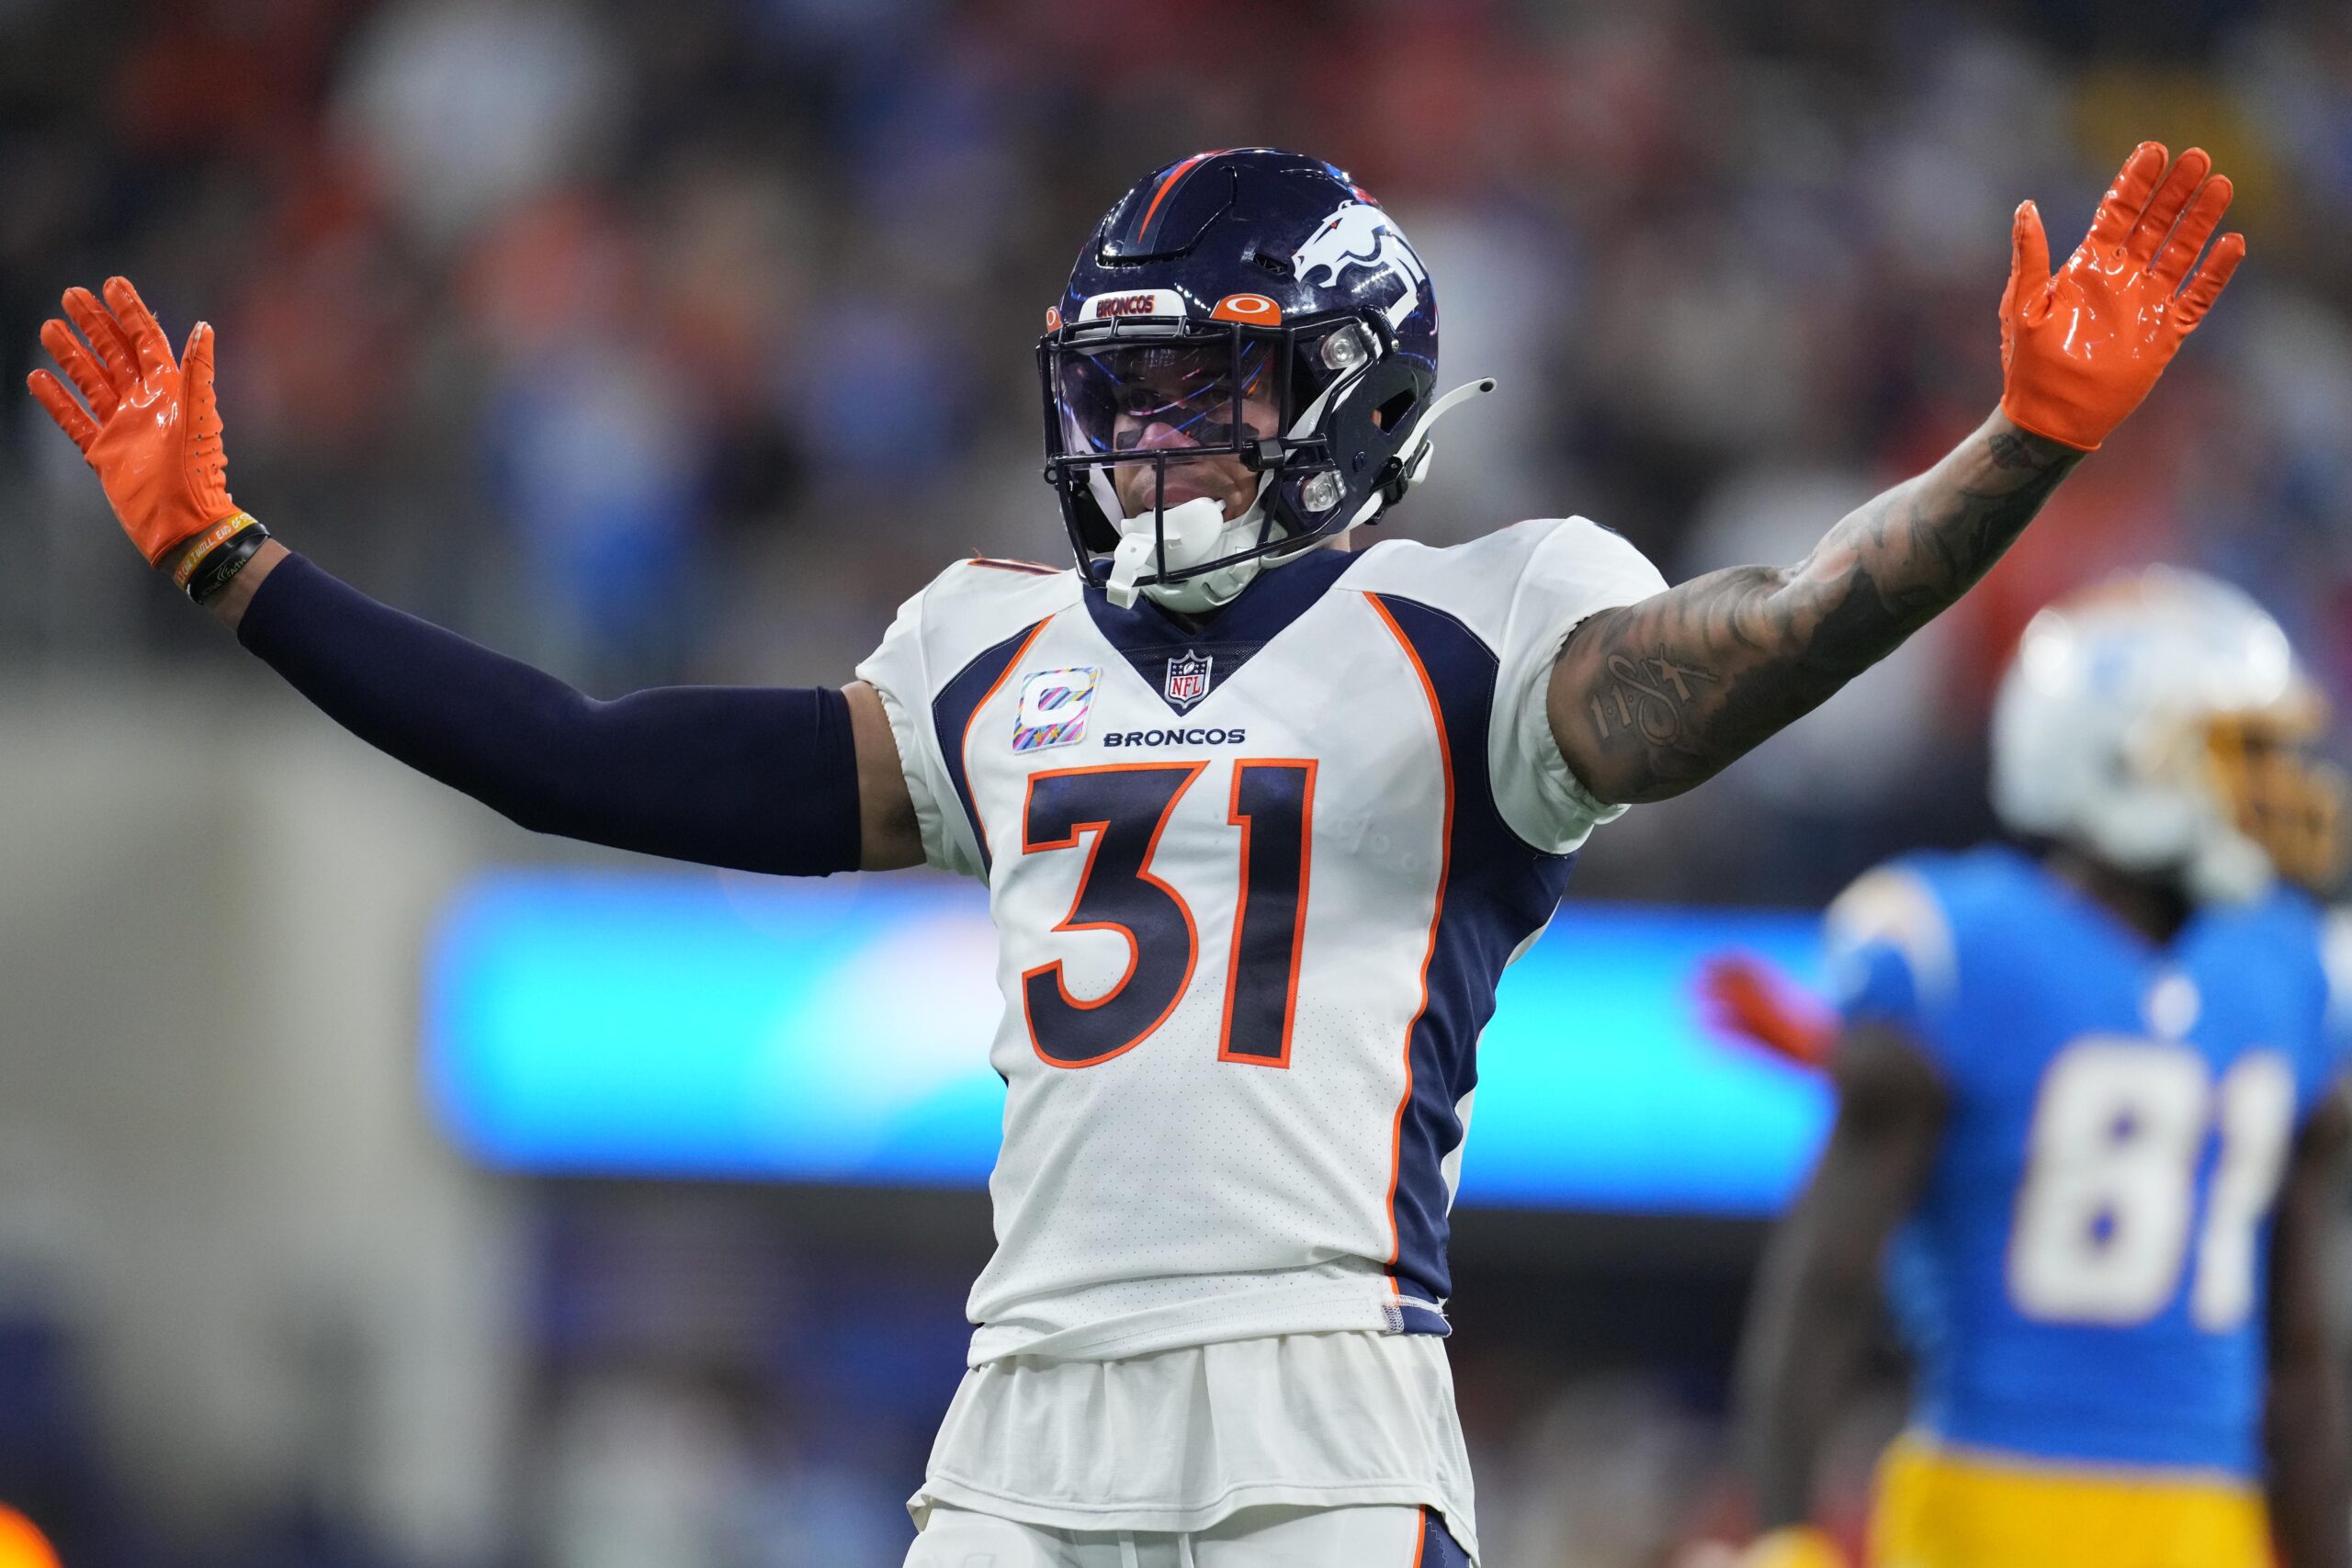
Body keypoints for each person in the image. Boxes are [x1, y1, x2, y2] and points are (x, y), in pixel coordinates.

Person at [29, 142, 2239, 1566]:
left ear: (1354, 396)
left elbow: (1775, 632)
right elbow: (584, 759)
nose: (1148, 433)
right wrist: (234, 559)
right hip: (1020, 1406)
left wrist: (2013, 453)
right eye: (1128, 385)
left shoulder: (1485, 619)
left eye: (1206, 384)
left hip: (1319, 1381)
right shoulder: (988, 650)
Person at [1720, 570, 2350, 1568]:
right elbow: (1823, 1288)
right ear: (2124, 762)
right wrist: (1784, 1533)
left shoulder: (2279, 971)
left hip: (2176, 1519)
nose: (2272, 790)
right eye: (2239, 755)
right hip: (2003, 1503)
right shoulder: (1969, 952)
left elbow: (2300, 1362)